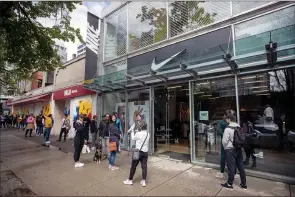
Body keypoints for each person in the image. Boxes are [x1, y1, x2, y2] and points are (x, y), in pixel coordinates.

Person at [221, 113, 247, 190]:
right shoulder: (239, 127)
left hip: (230, 150)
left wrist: (226, 148)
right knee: (241, 167)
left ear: (229, 119)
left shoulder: (227, 129)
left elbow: (224, 141)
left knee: (231, 167)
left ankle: (229, 184)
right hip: (238, 149)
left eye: (226, 119)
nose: (226, 120)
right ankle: (244, 184)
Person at [124, 121, 150, 187]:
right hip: (145, 153)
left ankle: (130, 180)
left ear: (141, 127)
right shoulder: (148, 134)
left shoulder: (138, 133)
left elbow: (133, 138)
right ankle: (143, 181)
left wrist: (132, 131)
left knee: (133, 166)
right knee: (144, 167)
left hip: (138, 152)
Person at [216, 110, 236, 178]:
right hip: (233, 142)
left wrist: (225, 135)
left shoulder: (222, 122)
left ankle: (222, 172)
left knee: (223, 156)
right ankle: (234, 173)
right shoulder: (232, 122)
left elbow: (219, 131)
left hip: (225, 142)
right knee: (232, 157)